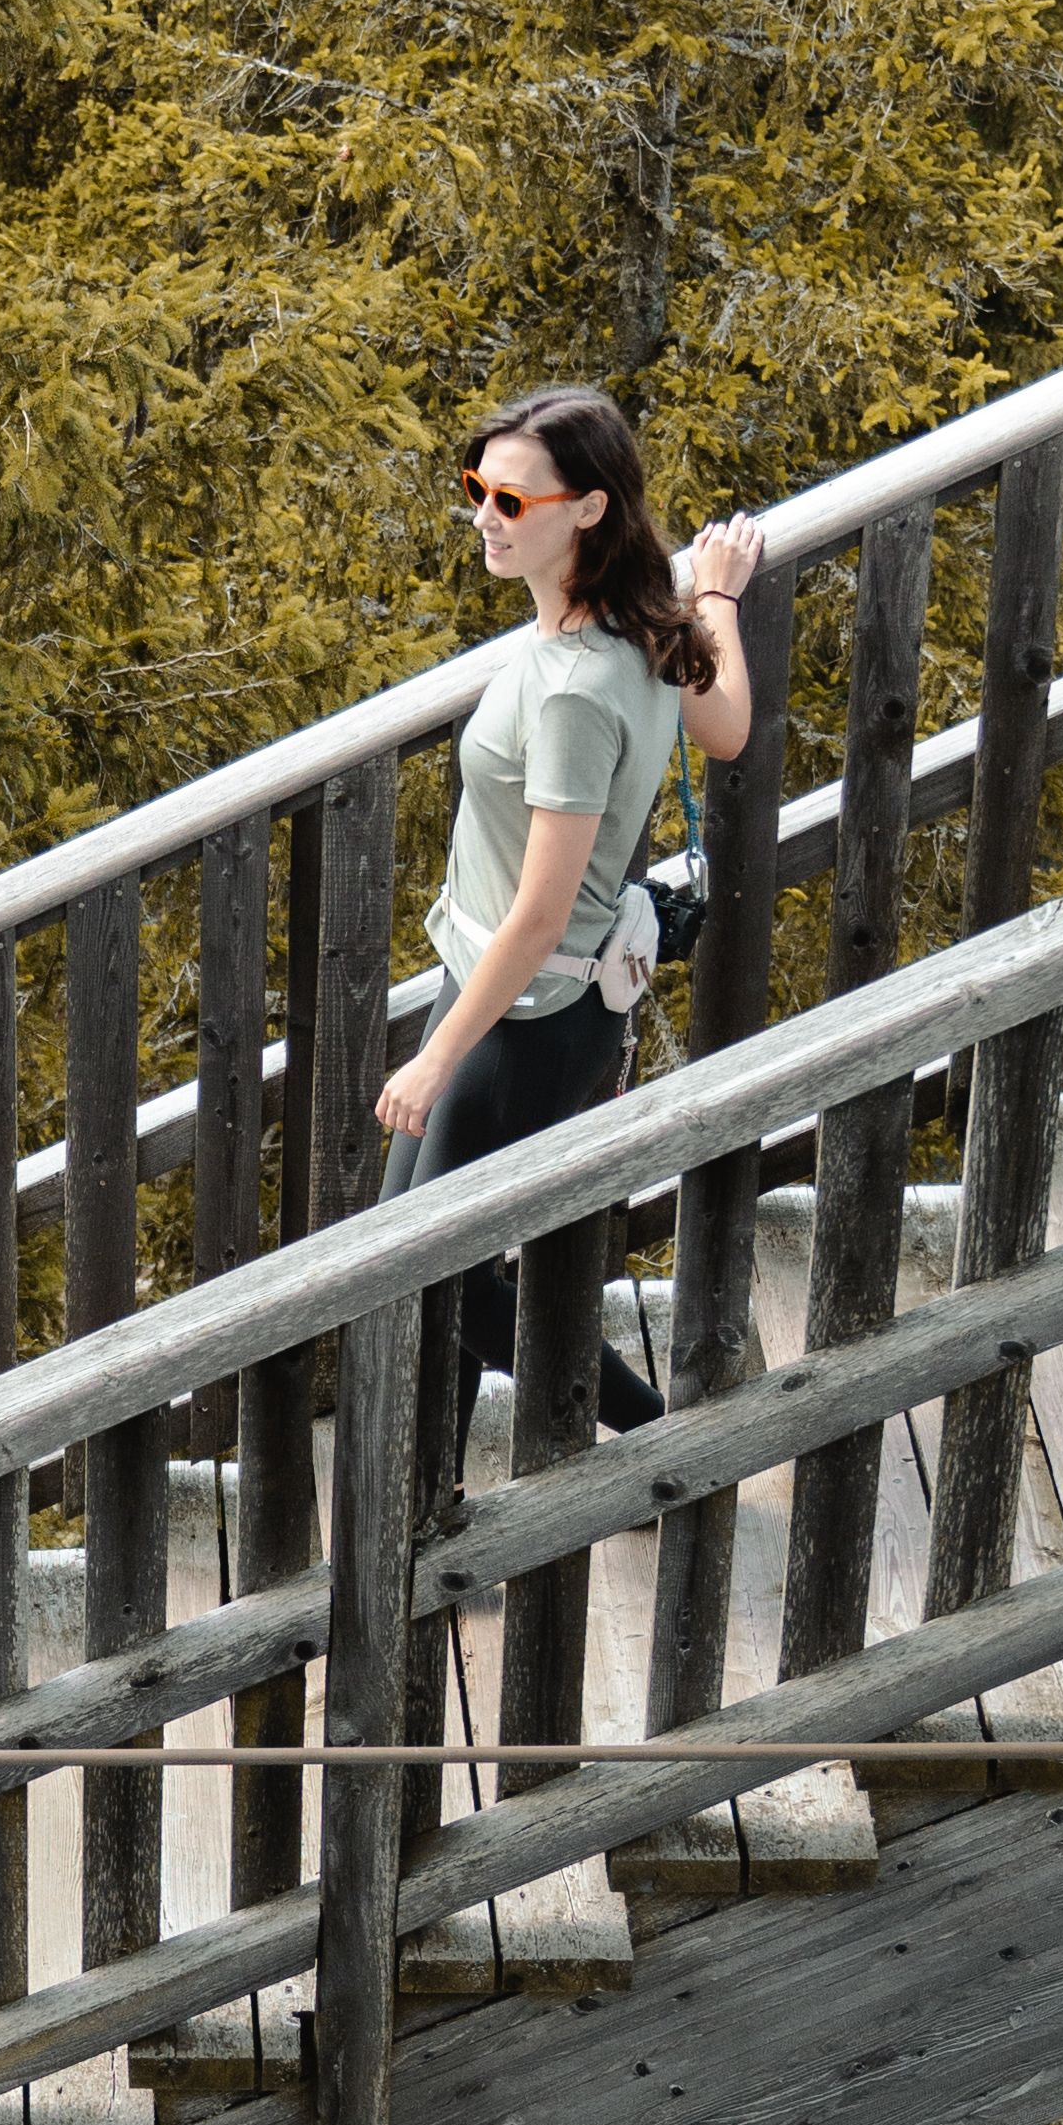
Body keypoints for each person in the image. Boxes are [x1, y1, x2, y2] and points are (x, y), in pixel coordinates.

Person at [371, 386, 767, 1422]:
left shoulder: (574, 690)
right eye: (478, 490)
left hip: (527, 1011)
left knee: (428, 1269)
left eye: (514, 499)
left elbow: (539, 912)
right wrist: (716, 594)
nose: (487, 517)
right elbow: (724, 729)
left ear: (588, 509)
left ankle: (647, 1428)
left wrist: (437, 1053)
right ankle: (434, 1489)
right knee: (421, 1249)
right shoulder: (646, 619)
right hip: (535, 994)